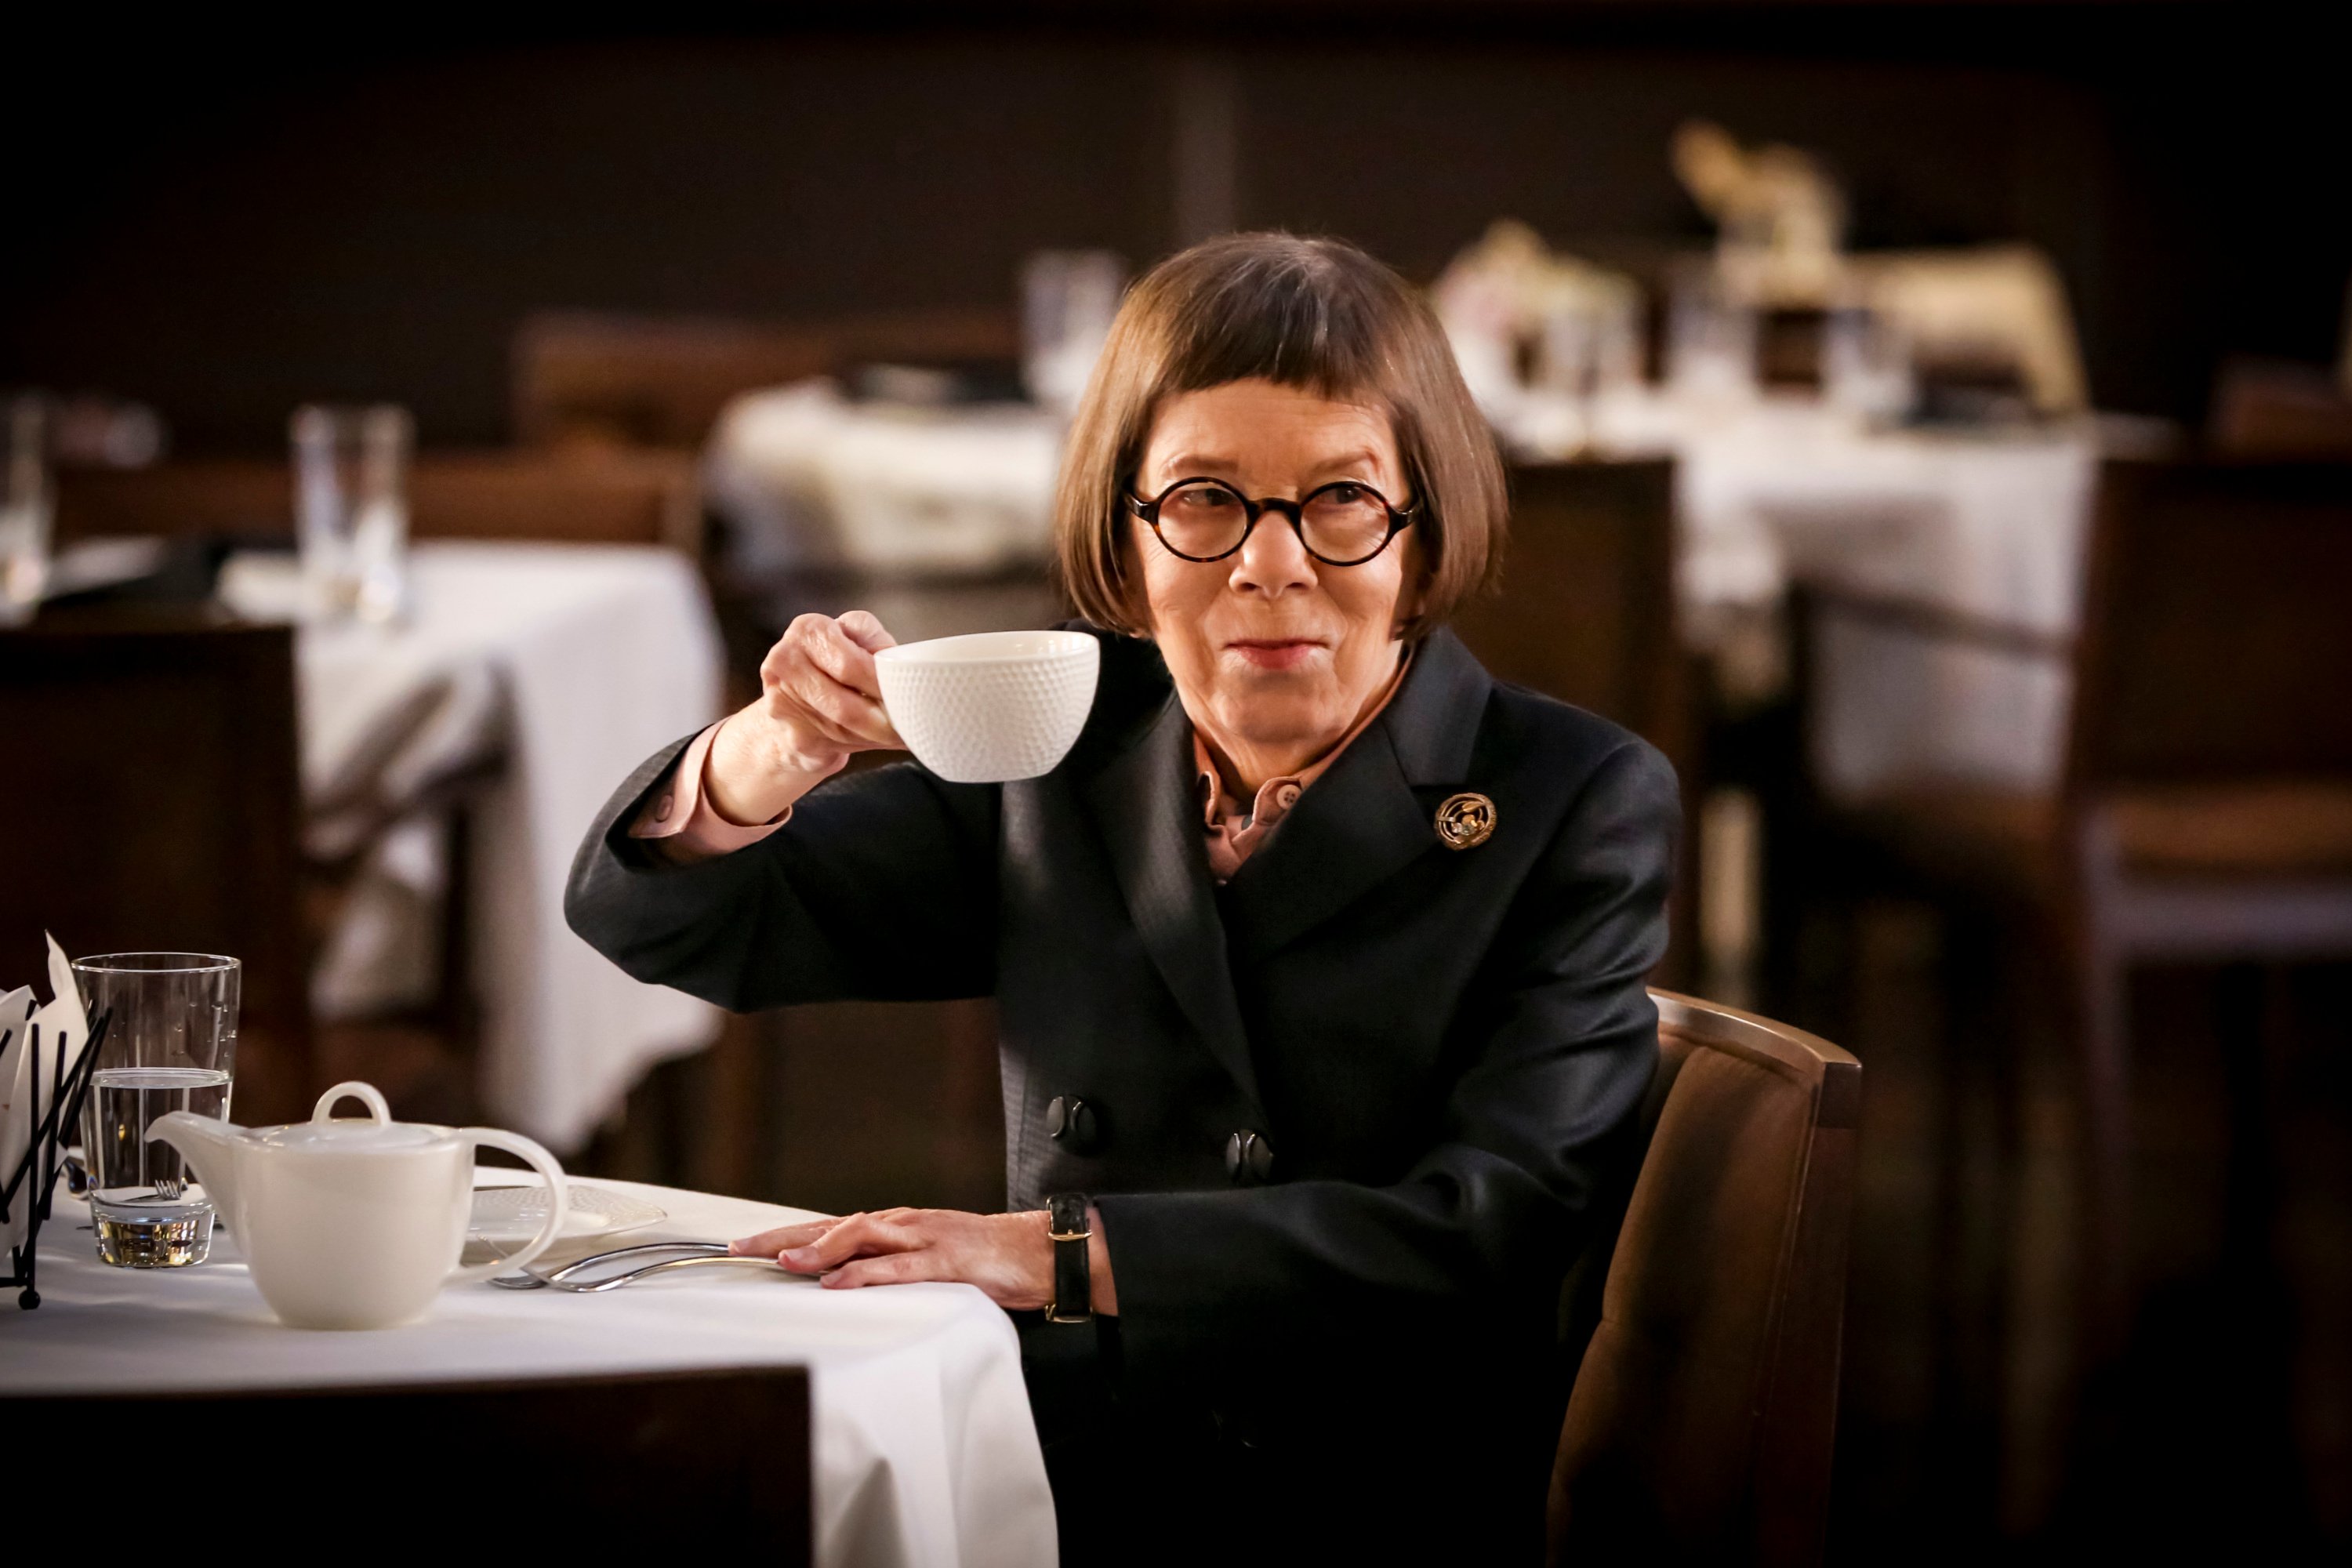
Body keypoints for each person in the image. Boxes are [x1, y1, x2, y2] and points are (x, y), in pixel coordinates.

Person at [567, 232, 1678, 1563]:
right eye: (1206, 500)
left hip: (1376, 1496)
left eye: (1340, 500)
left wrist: (1050, 1252)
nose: (1271, 566)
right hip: (1056, 1465)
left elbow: (1491, 1237)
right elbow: (670, 922)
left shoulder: (1574, 796)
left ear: (1423, 536)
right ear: (1127, 539)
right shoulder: (1070, 743)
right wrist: (775, 750)